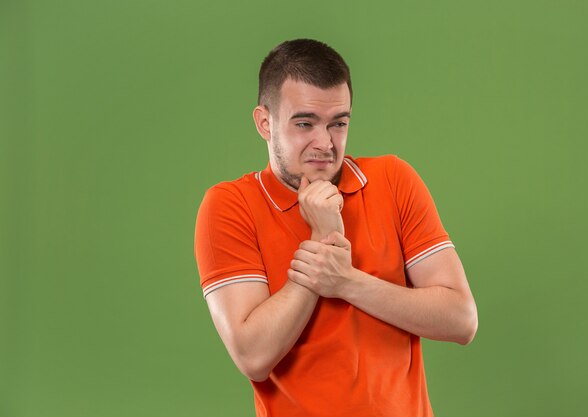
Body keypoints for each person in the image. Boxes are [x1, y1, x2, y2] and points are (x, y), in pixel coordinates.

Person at [194, 38, 478, 417]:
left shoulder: (393, 180)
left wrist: (345, 281)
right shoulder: (230, 205)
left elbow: (461, 319)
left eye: (338, 123)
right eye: (305, 123)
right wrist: (323, 240)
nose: (325, 143)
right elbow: (253, 354)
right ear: (265, 123)